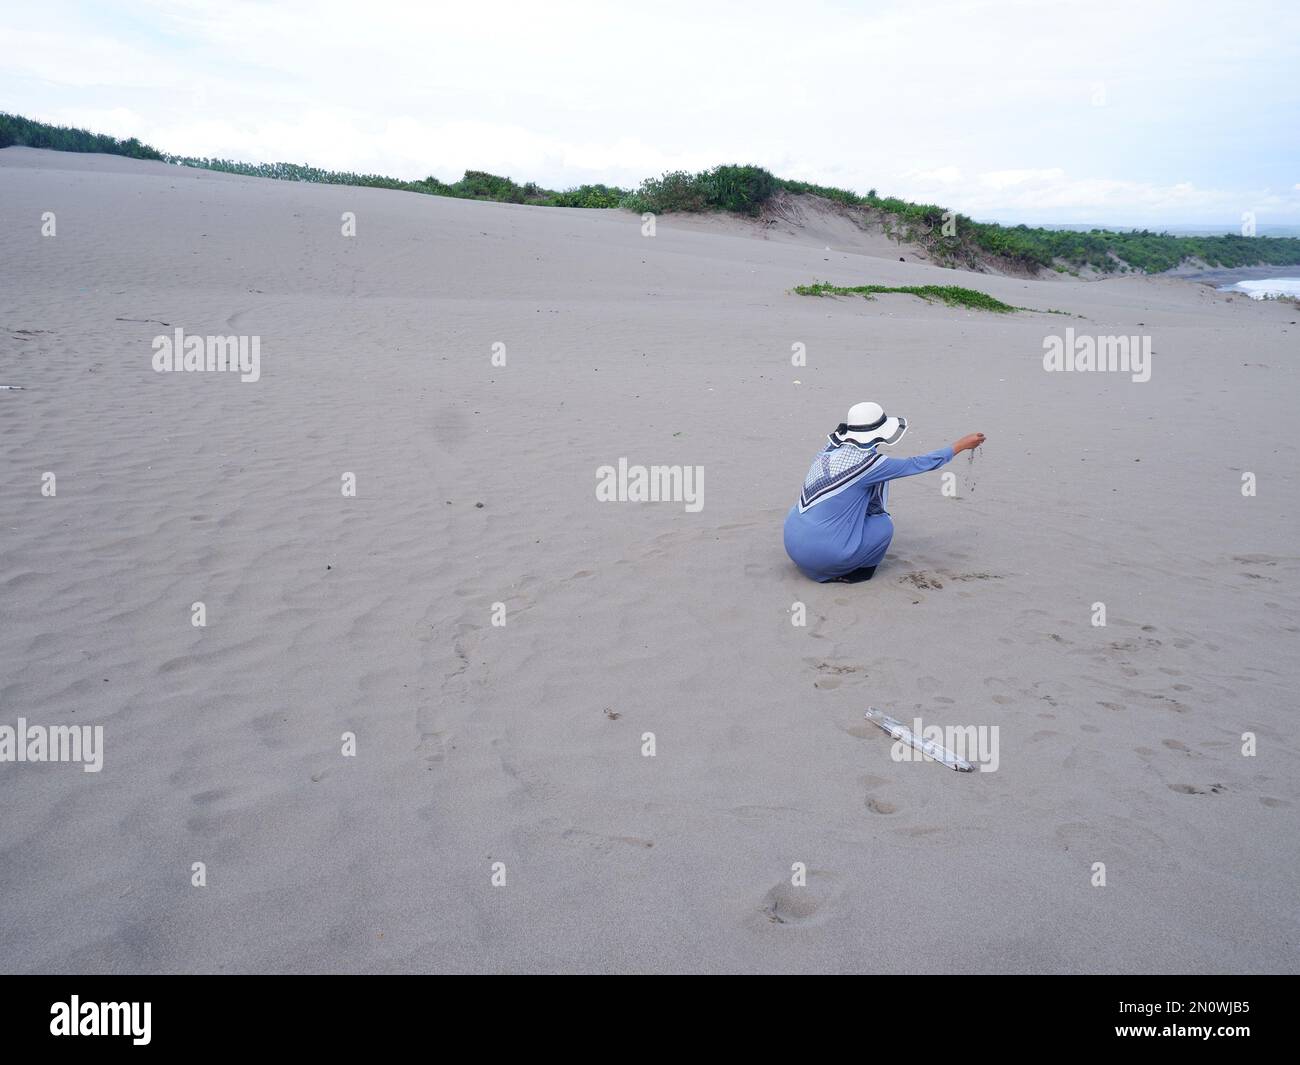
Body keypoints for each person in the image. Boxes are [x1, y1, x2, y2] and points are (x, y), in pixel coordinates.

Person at [783, 401, 984, 583]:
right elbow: (919, 464)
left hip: (793, 545)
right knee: (882, 525)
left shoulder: (829, 450)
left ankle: (823, 556)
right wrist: (960, 445)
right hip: (823, 556)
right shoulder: (871, 464)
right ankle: (857, 573)